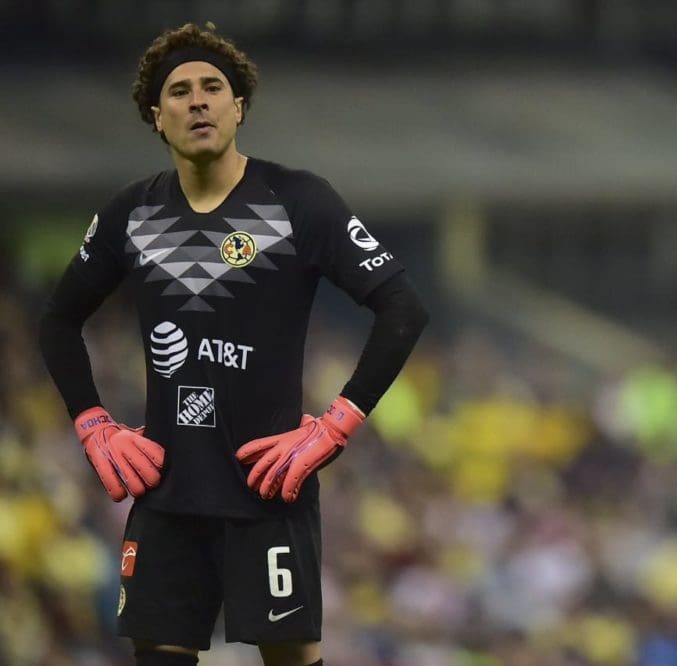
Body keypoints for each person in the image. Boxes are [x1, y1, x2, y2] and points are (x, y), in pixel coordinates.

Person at [38, 22, 427, 666]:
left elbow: (403, 308)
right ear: (156, 118)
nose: (198, 101)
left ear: (238, 107)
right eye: (179, 91)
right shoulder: (131, 214)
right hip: (167, 496)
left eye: (213, 87)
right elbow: (57, 320)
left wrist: (338, 424)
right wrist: (91, 421)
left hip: (268, 492)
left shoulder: (298, 201)